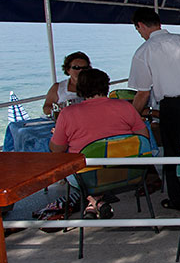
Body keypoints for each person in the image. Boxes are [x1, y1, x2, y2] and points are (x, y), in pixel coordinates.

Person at [128, 8, 180, 211]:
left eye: (138, 29)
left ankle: (178, 200)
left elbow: (143, 93)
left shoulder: (143, 52)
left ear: (140, 25)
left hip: (171, 106)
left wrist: (130, 116)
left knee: (173, 153)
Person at [50, 68, 148, 218]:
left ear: (80, 89)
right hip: (127, 171)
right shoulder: (125, 107)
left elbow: (57, 149)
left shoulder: (68, 114)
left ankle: (93, 201)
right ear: (106, 86)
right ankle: (96, 203)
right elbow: (143, 137)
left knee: (71, 164)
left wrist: (56, 135)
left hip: (88, 176)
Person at [43, 51, 91, 116]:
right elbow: (46, 109)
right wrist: (60, 108)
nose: (80, 71)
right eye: (76, 67)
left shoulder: (95, 86)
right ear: (68, 69)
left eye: (84, 68)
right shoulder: (58, 87)